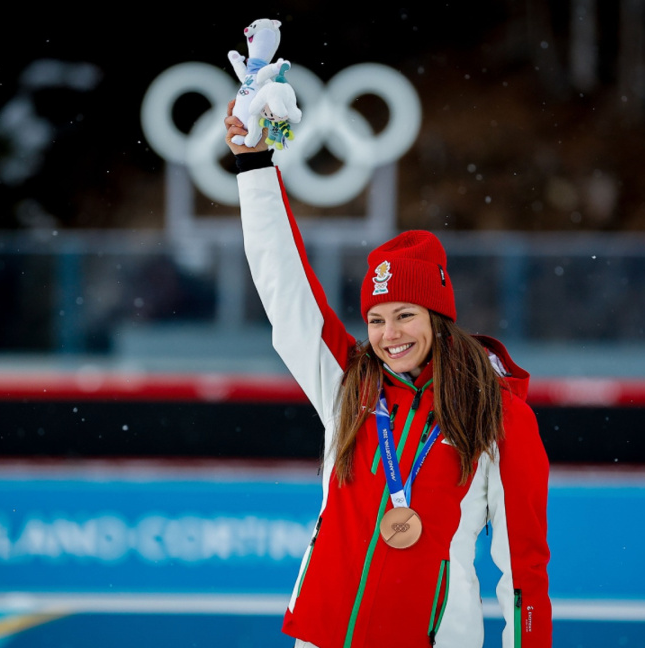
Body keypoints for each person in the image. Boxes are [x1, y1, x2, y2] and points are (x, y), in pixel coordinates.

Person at [225, 107, 551, 648]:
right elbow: (284, 286)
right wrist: (255, 166)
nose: (389, 334)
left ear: (438, 318)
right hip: (322, 637)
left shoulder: (499, 415)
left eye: (405, 315)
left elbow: (523, 568)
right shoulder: (350, 383)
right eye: (376, 319)